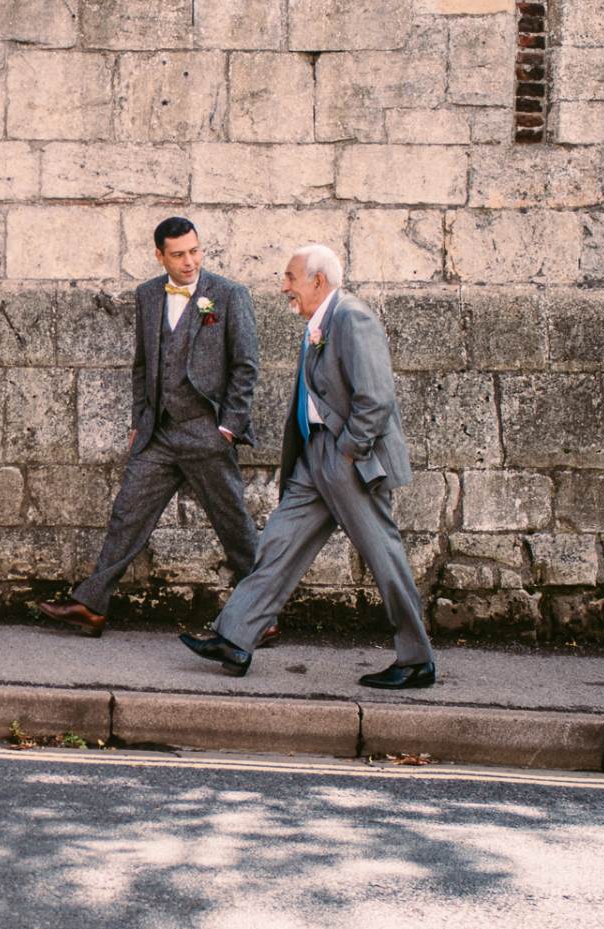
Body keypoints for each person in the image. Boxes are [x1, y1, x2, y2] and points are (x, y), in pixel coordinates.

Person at [180, 243, 437, 689]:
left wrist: (349, 450)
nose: (284, 287)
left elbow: (375, 397)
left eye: (290, 277)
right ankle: (235, 638)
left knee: (384, 557)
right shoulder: (319, 322)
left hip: (346, 459)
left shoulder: (352, 318)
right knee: (278, 544)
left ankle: (416, 660)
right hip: (313, 458)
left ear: (318, 281)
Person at [37, 216, 260, 637]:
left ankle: (262, 618)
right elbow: (143, 364)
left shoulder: (229, 296)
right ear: (160, 256)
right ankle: (91, 606)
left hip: (205, 432)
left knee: (234, 526)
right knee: (128, 514)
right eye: (178, 255)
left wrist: (229, 427)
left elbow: (246, 366)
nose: (189, 261)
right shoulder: (148, 296)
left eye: (194, 251)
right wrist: (141, 420)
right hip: (159, 434)